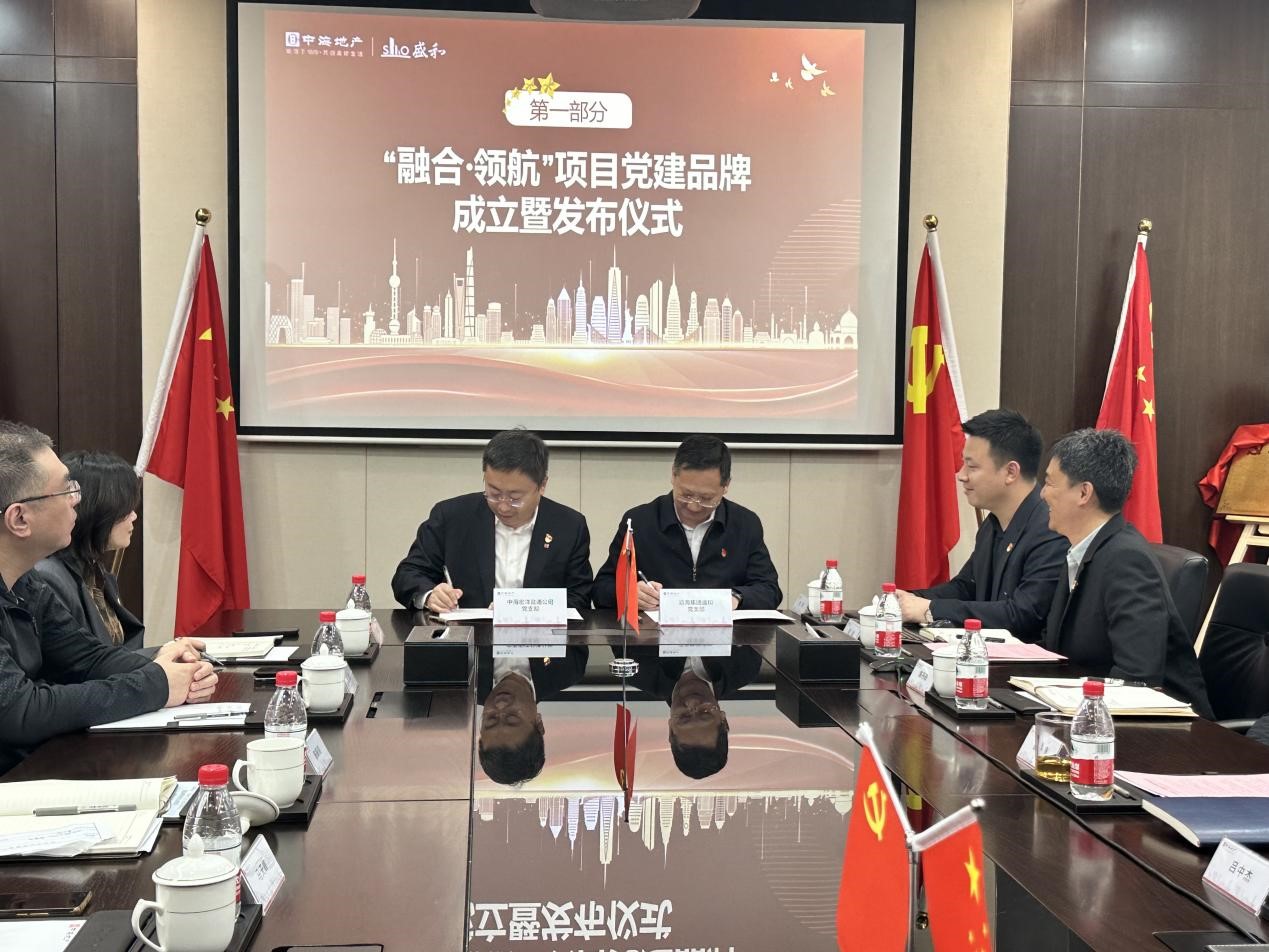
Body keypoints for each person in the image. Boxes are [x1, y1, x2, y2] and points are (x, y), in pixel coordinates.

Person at [0, 422, 217, 775]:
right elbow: (22, 711)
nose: (77, 499)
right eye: (66, 489)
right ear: (19, 518)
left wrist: (172, 667)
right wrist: (157, 684)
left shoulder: (26, 583)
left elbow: (87, 658)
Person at [1040, 428, 1213, 718]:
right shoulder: (1082, 550)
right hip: (1092, 712)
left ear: (1083, 493)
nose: (1043, 494)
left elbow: (1137, 677)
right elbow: (1057, 649)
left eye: (1049, 483)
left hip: (1166, 730)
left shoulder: (1126, 560)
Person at [897, 409, 1068, 639]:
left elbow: (1023, 614)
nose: (961, 475)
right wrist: (909, 599)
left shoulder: (1050, 529)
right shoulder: (993, 524)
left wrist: (930, 609)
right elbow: (966, 587)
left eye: (972, 466)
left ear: (1011, 472)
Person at [392, 429, 593, 612]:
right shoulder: (452, 516)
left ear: (542, 485)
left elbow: (579, 597)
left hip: (539, 638)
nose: (503, 506)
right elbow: (408, 574)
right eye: (494, 493)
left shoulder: (569, 526)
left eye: (515, 498)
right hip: (470, 637)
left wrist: (524, 609)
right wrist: (430, 595)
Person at [593, 435, 781, 611]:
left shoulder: (745, 524)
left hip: (726, 632)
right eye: (686, 495)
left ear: (726, 486)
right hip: (654, 632)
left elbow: (769, 590)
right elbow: (601, 589)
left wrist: (737, 597)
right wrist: (629, 593)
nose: (694, 506)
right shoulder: (640, 521)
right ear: (673, 476)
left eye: (706, 498)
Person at [33, 451, 146, 652]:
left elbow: (118, 654)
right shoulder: (49, 578)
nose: (134, 516)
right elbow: (83, 663)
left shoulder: (96, 573)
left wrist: (163, 653)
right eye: (126, 508)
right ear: (100, 509)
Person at [629, 645, 762, 779]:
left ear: (670, 729)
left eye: (684, 716)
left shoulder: (637, 672)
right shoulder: (744, 668)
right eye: (705, 712)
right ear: (723, 719)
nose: (692, 701)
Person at [476, 645, 589, 785]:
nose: (500, 705)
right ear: (539, 724)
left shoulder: (466, 676)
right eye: (512, 717)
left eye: (491, 719)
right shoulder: (567, 670)